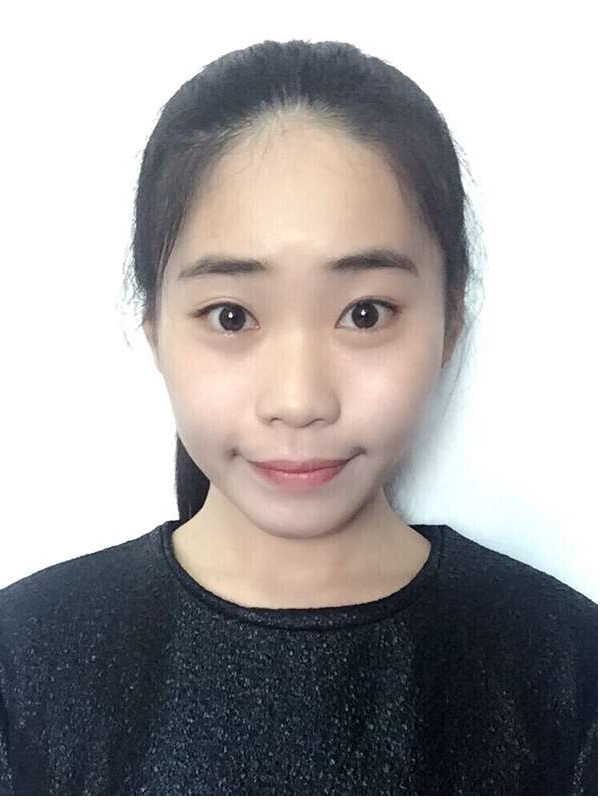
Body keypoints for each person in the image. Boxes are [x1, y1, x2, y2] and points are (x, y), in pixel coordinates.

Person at [0, 39, 596, 795]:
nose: (300, 400)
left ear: (450, 324)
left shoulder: (569, 669)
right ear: (154, 328)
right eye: (231, 315)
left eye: (365, 313)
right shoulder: (23, 662)